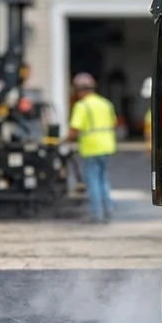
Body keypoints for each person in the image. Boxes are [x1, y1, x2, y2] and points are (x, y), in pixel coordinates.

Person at [66, 72, 117, 223]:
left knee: (93, 181)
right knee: (103, 179)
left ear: (79, 90)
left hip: (91, 147)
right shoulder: (105, 103)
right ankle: (108, 211)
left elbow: (75, 129)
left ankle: (97, 214)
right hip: (107, 146)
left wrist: (65, 140)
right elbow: (113, 122)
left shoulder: (82, 106)